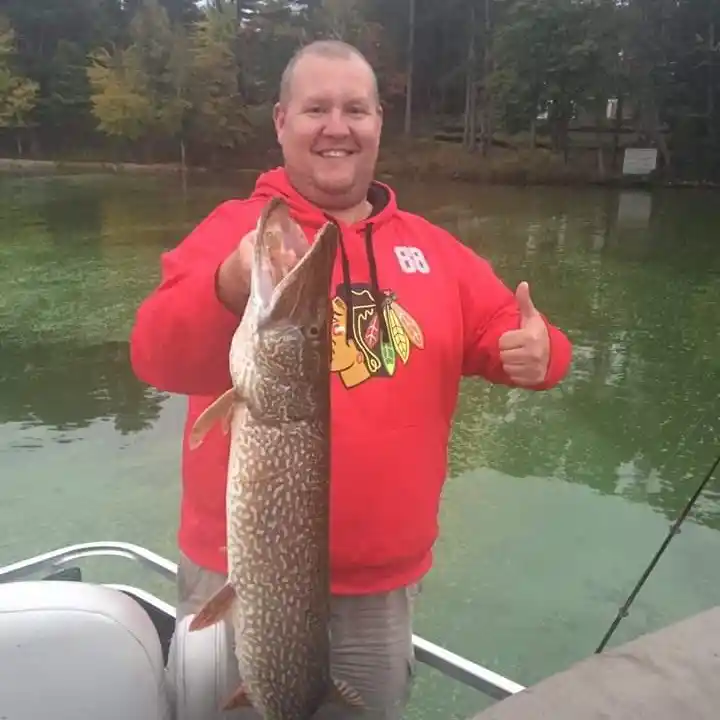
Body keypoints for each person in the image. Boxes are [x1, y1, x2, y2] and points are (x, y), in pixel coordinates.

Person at [129, 39, 573, 720]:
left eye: (355, 109)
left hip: (380, 592)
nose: (337, 126)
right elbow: (155, 355)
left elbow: (504, 328)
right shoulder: (232, 231)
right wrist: (226, 285)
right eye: (316, 108)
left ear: (378, 124)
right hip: (240, 577)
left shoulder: (432, 249)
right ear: (280, 121)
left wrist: (543, 354)